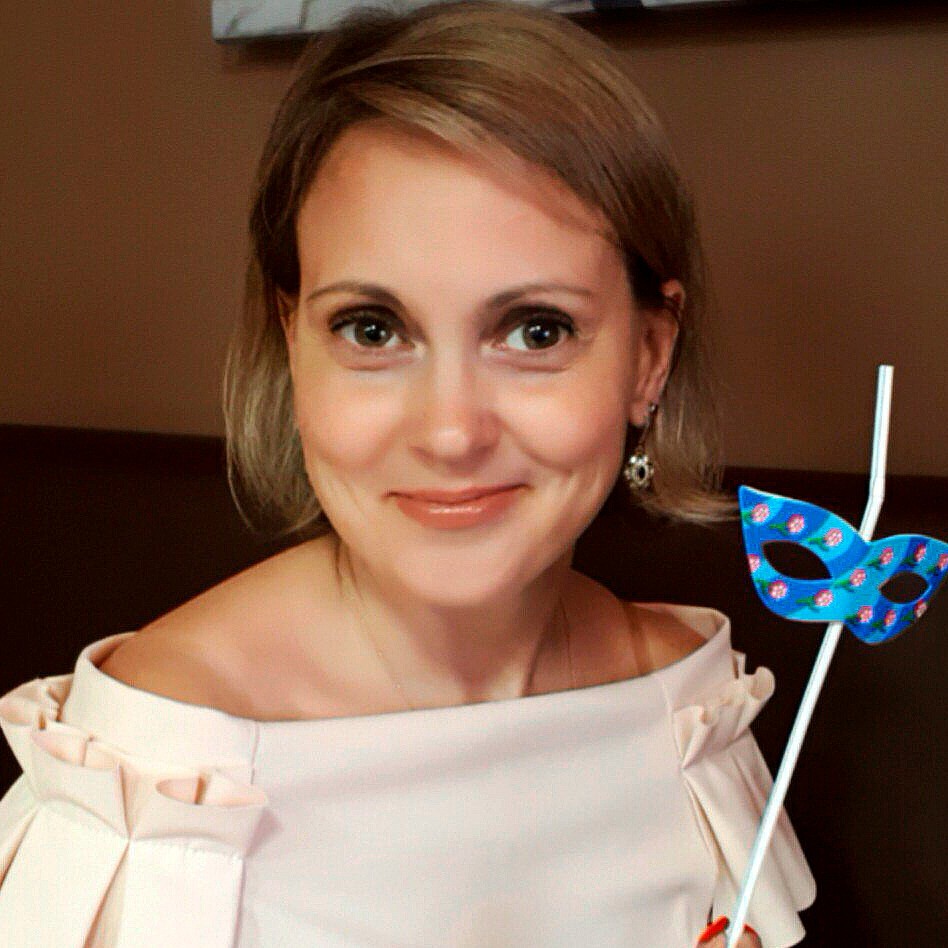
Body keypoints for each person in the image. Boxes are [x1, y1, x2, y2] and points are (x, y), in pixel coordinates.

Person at [0, 2, 815, 944]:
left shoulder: (687, 706)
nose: (452, 432)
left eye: (536, 331)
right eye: (372, 329)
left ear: (648, 358)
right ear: (293, 343)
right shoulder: (159, 763)